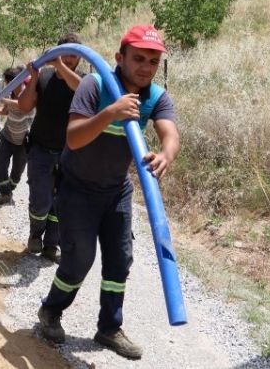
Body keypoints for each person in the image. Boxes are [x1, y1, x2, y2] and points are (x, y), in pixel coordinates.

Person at [36, 24, 180, 360]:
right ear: (120, 57)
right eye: (139, 58)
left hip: (116, 192)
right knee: (79, 259)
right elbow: (74, 138)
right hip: (77, 190)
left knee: (120, 260)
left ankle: (109, 327)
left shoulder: (155, 97)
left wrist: (165, 154)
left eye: (153, 61)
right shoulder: (94, 84)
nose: (145, 67)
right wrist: (110, 114)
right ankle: (51, 310)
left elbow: (170, 133)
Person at [18, 33, 85, 263]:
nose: (68, 58)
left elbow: (79, 88)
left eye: (74, 55)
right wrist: (34, 77)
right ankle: (35, 235)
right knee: (41, 200)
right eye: (63, 53)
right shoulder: (44, 76)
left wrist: (58, 65)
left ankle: (51, 245)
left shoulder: (85, 81)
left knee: (61, 202)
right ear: (56, 52)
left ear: (80, 58)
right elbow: (25, 106)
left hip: (70, 154)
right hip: (40, 150)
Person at [0, 67, 35, 205]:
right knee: (1, 165)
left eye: (8, 83)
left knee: (17, 173)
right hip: (7, 136)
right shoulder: (10, 94)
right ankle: (5, 193)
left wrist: (2, 99)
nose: (7, 86)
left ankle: (9, 189)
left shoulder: (28, 93)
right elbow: (6, 111)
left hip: (23, 141)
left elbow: (23, 106)